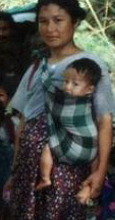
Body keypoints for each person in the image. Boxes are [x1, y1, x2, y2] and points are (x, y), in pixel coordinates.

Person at [0, 0, 115, 220]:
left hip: (66, 164)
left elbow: (104, 121)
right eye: (44, 21)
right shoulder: (37, 66)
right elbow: (22, 120)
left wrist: (99, 171)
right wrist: (15, 169)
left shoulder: (90, 66)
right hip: (31, 163)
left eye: (59, 20)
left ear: (74, 22)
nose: (50, 28)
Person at [36, 58, 102, 193]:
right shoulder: (88, 102)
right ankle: (88, 187)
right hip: (92, 151)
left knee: (48, 146)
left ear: (90, 89)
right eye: (66, 81)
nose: (67, 87)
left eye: (75, 84)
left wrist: (43, 68)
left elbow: (50, 93)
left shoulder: (68, 103)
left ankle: (45, 178)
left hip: (77, 150)